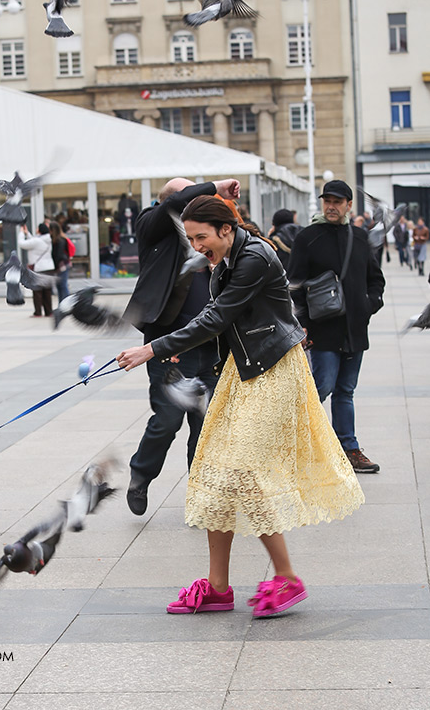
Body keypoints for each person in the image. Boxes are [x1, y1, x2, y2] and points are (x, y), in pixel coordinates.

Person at [117, 194, 364, 617]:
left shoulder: (257, 256)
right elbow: (220, 320)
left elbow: (219, 316)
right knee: (212, 469)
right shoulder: (225, 261)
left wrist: (154, 349)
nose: (196, 247)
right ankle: (217, 587)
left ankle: (286, 577)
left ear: (226, 230)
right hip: (242, 370)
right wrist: (182, 348)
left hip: (275, 371)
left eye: (201, 237)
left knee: (245, 470)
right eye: (191, 238)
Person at [122, 177, 240, 516]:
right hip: (168, 344)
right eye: (191, 198)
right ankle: (140, 475)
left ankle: (201, 496)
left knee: (206, 424)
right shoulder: (152, 226)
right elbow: (179, 200)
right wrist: (214, 186)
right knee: (169, 418)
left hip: (212, 344)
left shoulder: (205, 238)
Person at [288, 179, 385, 474]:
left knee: (345, 390)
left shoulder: (360, 236)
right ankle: (297, 445)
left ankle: (349, 449)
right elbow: (293, 284)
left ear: (348, 205)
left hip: (355, 328)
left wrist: (370, 304)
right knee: (322, 387)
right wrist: (303, 323)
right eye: (327, 200)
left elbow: (375, 278)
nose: (331, 206)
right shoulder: (307, 237)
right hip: (322, 328)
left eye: (338, 201)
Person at [18, 223, 54, 316]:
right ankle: (49, 311)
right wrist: (27, 233)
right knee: (47, 291)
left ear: (40, 230)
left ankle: (38, 312)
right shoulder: (48, 239)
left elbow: (22, 244)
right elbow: (34, 241)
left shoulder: (37, 241)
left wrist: (21, 233)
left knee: (37, 291)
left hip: (39, 268)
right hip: (49, 268)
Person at [49, 220, 71, 303]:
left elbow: (58, 255)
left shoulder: (59, 241)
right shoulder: (60, 239)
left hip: (62, 265)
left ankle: (66, 304)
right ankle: (62, 304)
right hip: (62, 264)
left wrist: (54, 266)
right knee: (59, 285)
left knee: (62, 285)